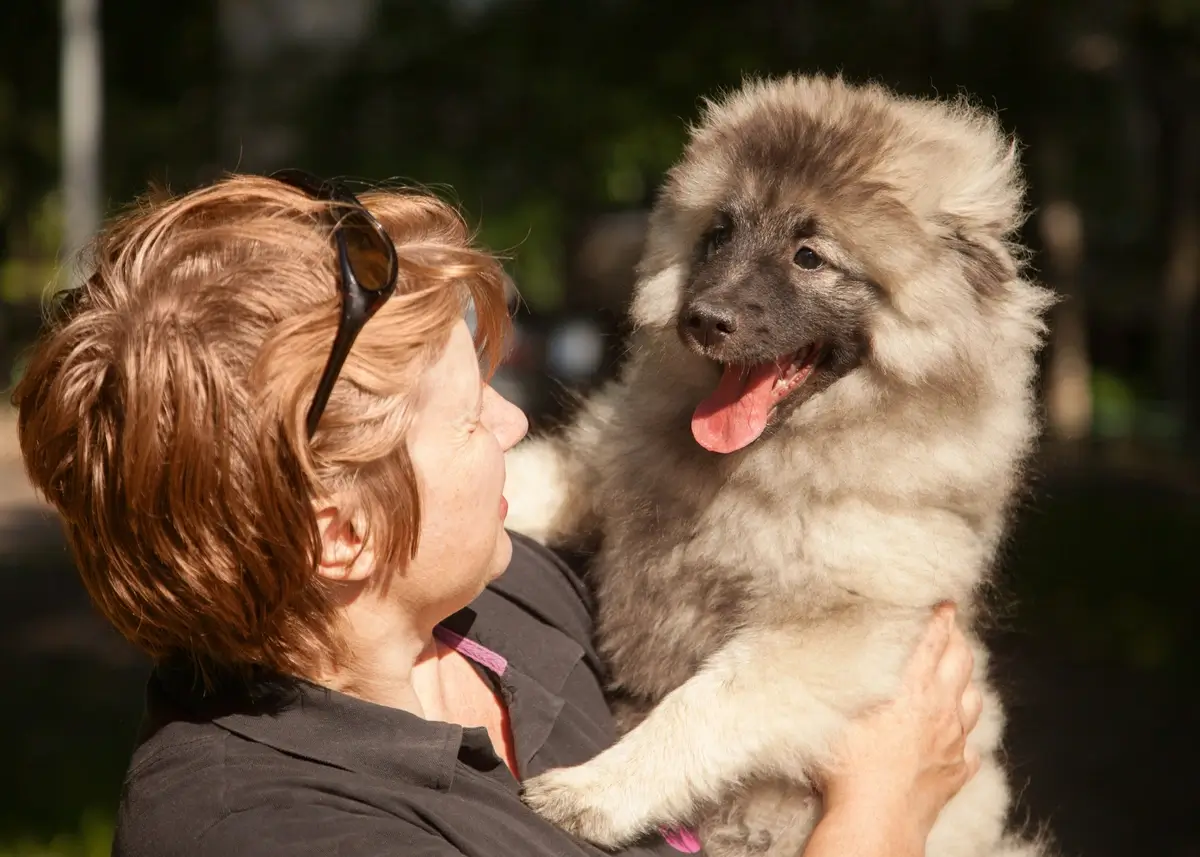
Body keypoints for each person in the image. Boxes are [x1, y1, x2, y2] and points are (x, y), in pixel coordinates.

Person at [13, 171, 983, 857]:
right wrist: (883, 806)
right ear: (339, 533)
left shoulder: (492, 591)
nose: (515, 420)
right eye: (470, 417)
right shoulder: (271, 826)